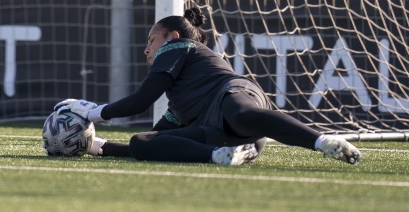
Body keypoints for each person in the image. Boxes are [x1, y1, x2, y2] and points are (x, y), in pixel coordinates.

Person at [55, 8, 362, 166]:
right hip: (238, 143)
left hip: (237, 96)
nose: (146, 49)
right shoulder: (179, 102)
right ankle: (218, 156)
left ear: (172, 37)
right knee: (141, 142)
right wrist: (97, 147)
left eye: (151, 40)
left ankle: (324, 142)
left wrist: (94, 112)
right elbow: (160, 138)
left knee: (239, 113)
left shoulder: (178, 47)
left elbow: (141, 101)